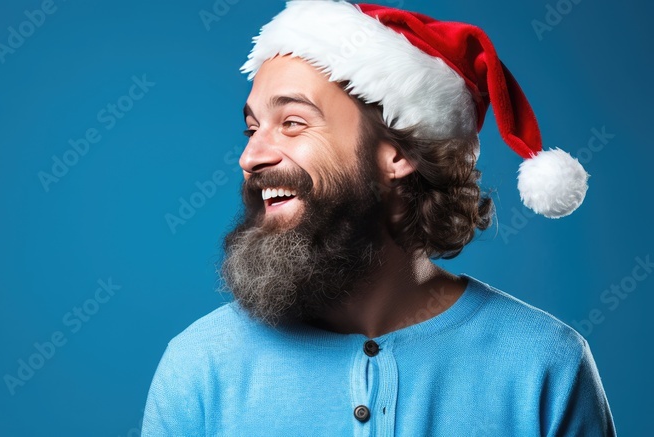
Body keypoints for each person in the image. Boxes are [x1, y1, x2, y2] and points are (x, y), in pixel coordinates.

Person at [141, 1, 615, 435]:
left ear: (397, 152)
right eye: (251, 128)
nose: (251, 156)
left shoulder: (544, 365)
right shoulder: (199, 366)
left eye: (292, 123)